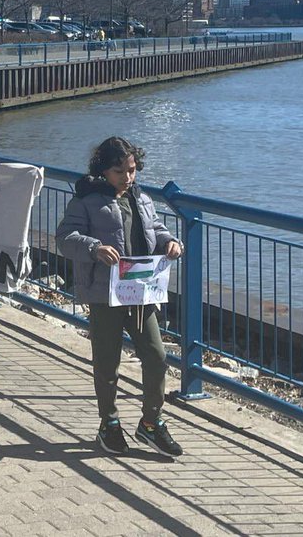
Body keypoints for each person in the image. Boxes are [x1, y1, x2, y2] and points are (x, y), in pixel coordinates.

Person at [55, 136, 184, 457]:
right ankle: (109, 424)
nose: (128, 177)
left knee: (156, 357)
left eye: (132, 170)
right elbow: (65, 238)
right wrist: (94, 248)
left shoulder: (141, 198)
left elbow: (155, 229)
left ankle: (151, 423)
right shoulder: (86, 200)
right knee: (107, 363)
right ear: (103, 171)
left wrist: (171, 242)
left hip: (141, 293)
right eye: (119, 171)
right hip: (105, 295)